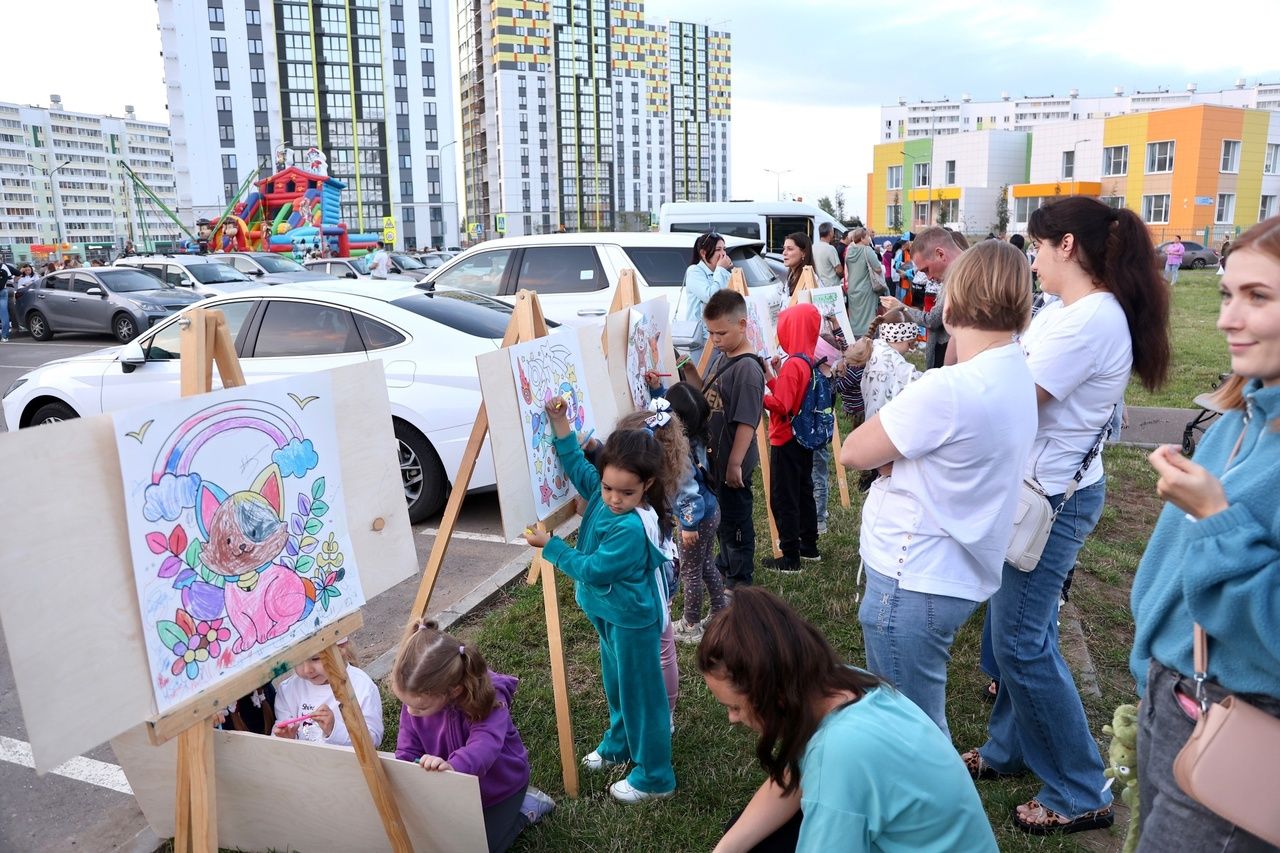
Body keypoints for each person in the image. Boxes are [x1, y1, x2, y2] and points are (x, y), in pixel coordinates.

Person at [967, 195, 1170, 835]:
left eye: (1035, 247)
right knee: (1014, 636)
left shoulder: (1092, 321)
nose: (1031, 261)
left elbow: (1011, 395)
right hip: (1036, 491)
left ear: (1068, 248)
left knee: (1023, 645)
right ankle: (1011, 750)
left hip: (1052, 500)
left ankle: (1082, 789)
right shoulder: (1066, 311)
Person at [840, 240, 1038, 739]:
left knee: (913, 736)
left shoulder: (946, 389)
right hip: (956, 568)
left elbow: (855, 451)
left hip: (913, 576)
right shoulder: (1014, 368)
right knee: (918, 721)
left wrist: (895, 462)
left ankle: (935, 817)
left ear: (950, 305)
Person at [1129, 215, 1280, 852]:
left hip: (1242, 722)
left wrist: (1217, 517)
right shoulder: (1245, 413)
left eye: (1258, 297)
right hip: (1177, 701)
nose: (1226, 318)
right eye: (1227, 293)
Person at [699, 587, 998, 852]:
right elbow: (792, 779)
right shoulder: (843, 686)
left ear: (772, 693)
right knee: (748, 835)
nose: (732, 718)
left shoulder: (839, 753)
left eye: (735, 706)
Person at [521, 422, 675, 802]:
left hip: (631, 621)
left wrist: (551, 547)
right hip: (609, 615)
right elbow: (579, 467)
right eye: (607, 487)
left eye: (627, 492)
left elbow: (593, 569)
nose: (613, 498)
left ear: (647, 486)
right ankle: (620, 743)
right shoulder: (602, 492)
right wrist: (560, 428)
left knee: (643, 697)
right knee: (617, 687)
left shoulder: (630, 528)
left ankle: (655, 777)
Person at [392, 619, 553, 852]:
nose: (410, 712)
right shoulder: (416, 699)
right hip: (450, 785)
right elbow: (407, 749)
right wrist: (407, 774)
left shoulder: (489, 698)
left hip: (498, 788)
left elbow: (484, 746)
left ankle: (527, 807)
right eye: (404, 704)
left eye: (420, 708)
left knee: (482, 847)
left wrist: (453, 767)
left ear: (453, 691)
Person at [615, 404, 684, 716]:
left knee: (661, 645)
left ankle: (665, 713)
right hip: (667, 567)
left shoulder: (640, 501)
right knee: (663, 644)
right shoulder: (659, 475)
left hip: (657, 575)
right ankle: (665, 709)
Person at [649, 380, 727, 644]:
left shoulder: (679, 453)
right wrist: (657, 390)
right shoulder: (695, 435)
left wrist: (689, 525)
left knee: (691, 572)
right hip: (711, 511)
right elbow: (670, 414)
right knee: (705, 565)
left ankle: (691, 625)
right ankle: (719, 611)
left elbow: (689, 493)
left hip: (696, 517)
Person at [701, 289, 766, 589]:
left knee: (737, 524)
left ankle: (739, 582)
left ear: (742, 325)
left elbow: (746, 423)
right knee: (723, 523)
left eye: (721, 333)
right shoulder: (722, 356)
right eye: (711, 333)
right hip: (718, 463)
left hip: (733, 467)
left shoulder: (748, 370)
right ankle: (726, 567)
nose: (715, 340)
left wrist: (734, 464)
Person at [761, 303, 822, 573]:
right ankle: (809, 546)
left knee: (784, 497)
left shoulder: (793, 365)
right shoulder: (805, 360)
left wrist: (756, 395)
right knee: (802, 490)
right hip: (802, 438)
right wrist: (772, 376)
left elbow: (782, 405)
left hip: (785, 438)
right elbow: (791, 397)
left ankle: (790, 557)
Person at [879, 226, 965, 370]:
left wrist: (902, 307)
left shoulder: (961, 278)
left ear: (940, 254)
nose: (929, 277)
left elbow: (933, 320)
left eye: (926, 270)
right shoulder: (958, 274)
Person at [272, 639, 383, 748]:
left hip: (347, 764)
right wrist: (286, 738)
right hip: (305, 764)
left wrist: (333, 729)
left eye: (316, 658)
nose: (307, 670)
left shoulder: (360, 685)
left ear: (340, 649)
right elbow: (279, 731)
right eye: (298, 661)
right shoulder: (288, 689)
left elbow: (373, 738)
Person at [857, 310, 921, 421]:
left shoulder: (876, 348)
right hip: (885, 426)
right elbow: (917, 380)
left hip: (871, 419)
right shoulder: (892, 359)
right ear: (903, 339)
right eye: (910, 344)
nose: (910, 349)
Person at [683, 231, 733, 367]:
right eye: (718, 249)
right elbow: (711, 297)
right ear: (704, 253)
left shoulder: (721, 273)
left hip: (721, 335)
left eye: (724, 249)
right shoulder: (694, 271)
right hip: (702, 339)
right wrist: (721, 270)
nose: (723, 254)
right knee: (702, 378)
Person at [842, 227, 882, 337]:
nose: (869, 238)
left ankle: (854, 337)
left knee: (855, 316)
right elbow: (878, 268)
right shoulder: (867, 250)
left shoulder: (849, 251)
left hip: (852, 289)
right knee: (868, 317)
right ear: (863, 238)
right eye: (868, 236)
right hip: (866, 289)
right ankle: (868, 338)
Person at [782, 232, 818, 296]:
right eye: (784, 248)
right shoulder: (791, 277)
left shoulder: (809, 281)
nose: (784, 253)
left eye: (790, 249)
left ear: (803, 253)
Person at [812, 223, 843, 290]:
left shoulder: (813, 247)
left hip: (818, 285)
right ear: (830, 233)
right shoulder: (830, 248)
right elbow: (839, 270)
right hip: (832, 286)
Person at [0, 260, 14, 342]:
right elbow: (11, 279)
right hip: (3, 290)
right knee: (4, 313)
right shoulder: (4, 267)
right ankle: (4, 336)